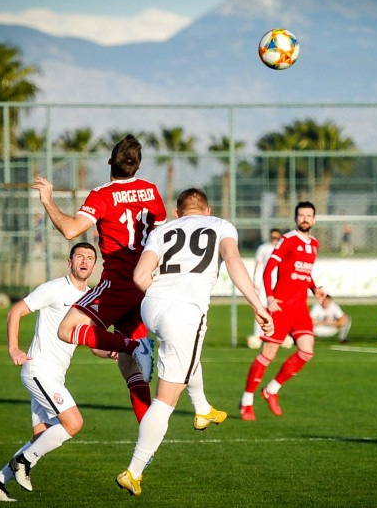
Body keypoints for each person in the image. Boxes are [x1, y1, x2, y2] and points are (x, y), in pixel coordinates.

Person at [116, 188, 273, 496]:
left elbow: (139, 277)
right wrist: (257, 304)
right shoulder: (221, 225)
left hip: (152, 305)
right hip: (184, 311)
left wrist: (162, 295)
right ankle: (133, 471)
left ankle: (202, 408)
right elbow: (233, 260)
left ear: (177, 212)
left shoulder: (162, 230)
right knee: (165, 401)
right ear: (207, 209)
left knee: (187, 353)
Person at [32, 134, 165, 423]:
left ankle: (135, 346)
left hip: (118, 282)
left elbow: (71, 230)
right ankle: (149, 437)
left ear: (109, 162)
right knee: (131, 369)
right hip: (146, 283)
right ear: (138, 166)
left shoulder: (102, 194)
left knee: (67, 329)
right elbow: (161, 237)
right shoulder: (151, 191)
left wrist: (47, 200)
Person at [0, 242, 106, 502]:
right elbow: (15, 311)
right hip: (39, 370)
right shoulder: (54, 288)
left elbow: (94, 346)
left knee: (42, 436)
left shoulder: (92, 299)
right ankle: (23, 461)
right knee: (74, 423)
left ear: (95, 265)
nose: (84, 261)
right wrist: (13, 349)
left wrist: (116, 352)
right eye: (79, 256)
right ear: (69, 262)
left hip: (55, 376)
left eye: (90, 258)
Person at [240, 201, 325, 421]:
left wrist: (314, 288)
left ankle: (271, 390)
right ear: (296, 218)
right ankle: (246, 401)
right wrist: (269, 297)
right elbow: (269, 268)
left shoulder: (314, 244)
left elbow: (305, 273)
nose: (305, 219)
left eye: (309, 215)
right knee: (268, 354)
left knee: (306, 351)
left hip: (300, 308)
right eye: (301, 215)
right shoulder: (287, 240)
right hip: (281, 306)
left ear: (314, 220)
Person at [247, 228, 283, 349]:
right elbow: (258, 263)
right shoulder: (263, 248)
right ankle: (258, 335)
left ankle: (277, 335)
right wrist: (254, 280)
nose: (275, 240)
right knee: (261, 308)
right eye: (273, 237)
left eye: (277, 238)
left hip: (279, 282)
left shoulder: (283, 248)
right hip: (265, 283)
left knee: (278, 310)